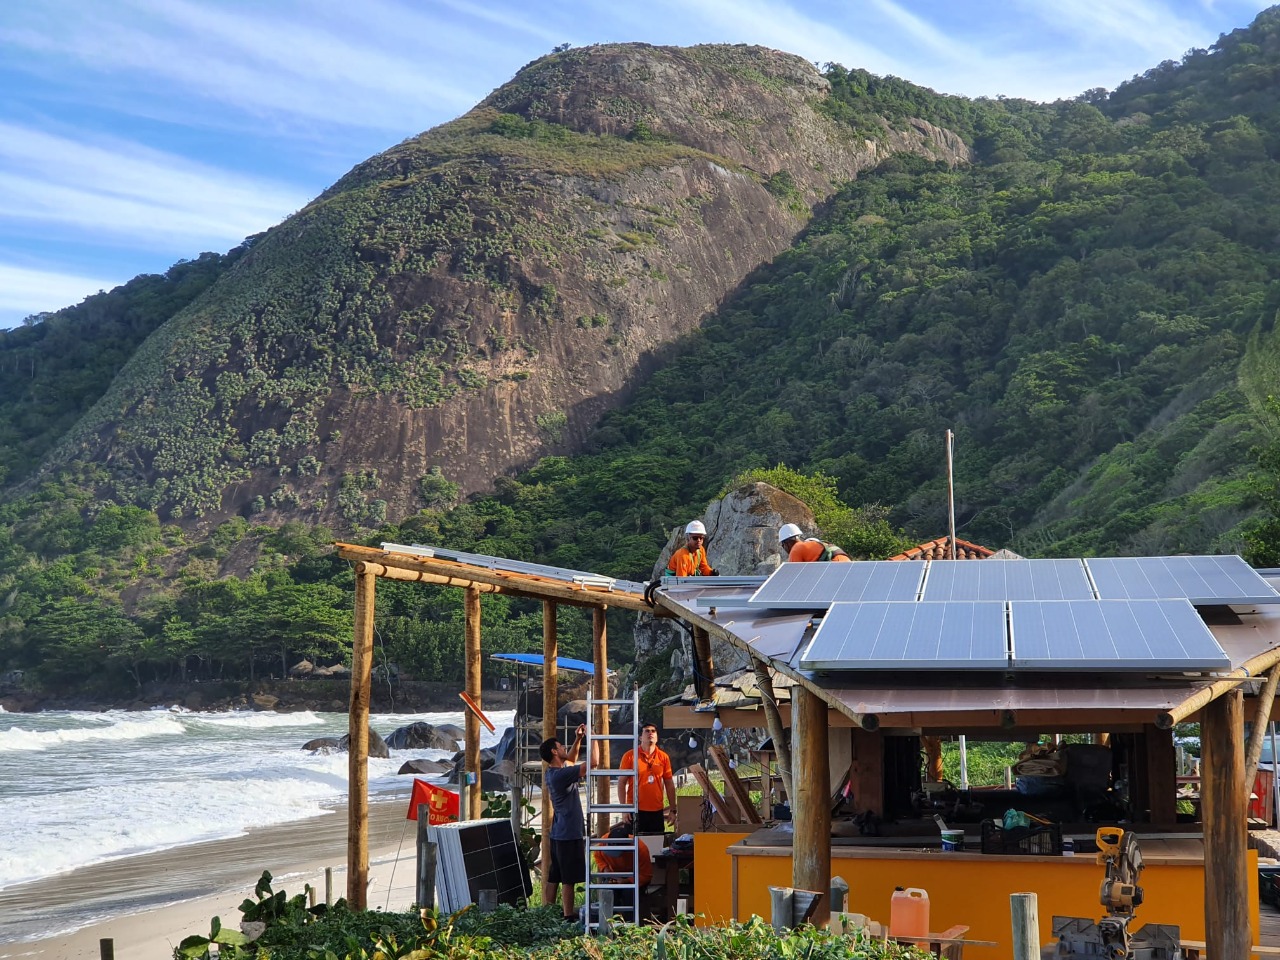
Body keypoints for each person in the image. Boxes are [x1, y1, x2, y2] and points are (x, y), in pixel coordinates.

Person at [540, 723, 599, 920]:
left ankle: (548, 910)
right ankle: (567, 914)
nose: (565, 748)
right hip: (568, 832)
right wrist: (594, 737)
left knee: (554, 875)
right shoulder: (562, 775)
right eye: (561, 746)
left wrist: (578, 739)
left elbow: (572, 759)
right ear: (554, 752)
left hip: (558, 831)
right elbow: (593, 762)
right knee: (568, 878)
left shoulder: (553, 772)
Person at [618, 722, 677, 834]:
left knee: (656, 847)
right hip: (635, 810)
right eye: (647, 731)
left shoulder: (663, 757)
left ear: (657, 737)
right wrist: (624, 809)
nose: (650, 733)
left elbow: (669, 783)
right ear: (640, 737)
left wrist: (673, 810)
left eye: (653, 731)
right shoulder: (630, 756)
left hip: (656, 810)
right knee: (635, 847)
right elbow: (621, 783)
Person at [592, 819, 655, 919]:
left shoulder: (640, 849)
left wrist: (626, 881)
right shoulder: (603, 842)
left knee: (629, 893)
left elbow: (646, 875)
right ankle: (608, 923)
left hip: (634, 877)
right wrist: (606, 870)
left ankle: (630, 924)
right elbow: (597, 856)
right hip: (614, 875)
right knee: (607, 891)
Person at [777, 521, 850, 562]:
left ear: (786, 543)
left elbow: (794, 575)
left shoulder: (796, 549)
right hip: (848, 564)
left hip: (834, 566)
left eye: (783, 546)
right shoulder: (812, 545)